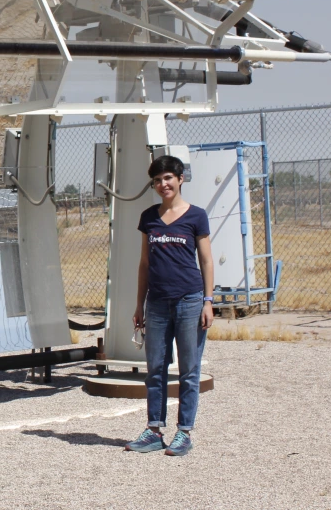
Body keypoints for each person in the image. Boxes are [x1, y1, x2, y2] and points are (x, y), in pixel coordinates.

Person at [124, 155, 214, 457]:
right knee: (156, 369)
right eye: (158, 180)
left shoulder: (196, 216)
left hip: (189, 301)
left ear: (180, 180)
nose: (163, 184)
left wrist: (208, 301)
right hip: (157, 305)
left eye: (168, 178)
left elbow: (206, 261)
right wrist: (140, 304)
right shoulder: (149, 218)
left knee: (189, 370)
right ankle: (154, 431)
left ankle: (184, 432)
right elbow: (144, 264)